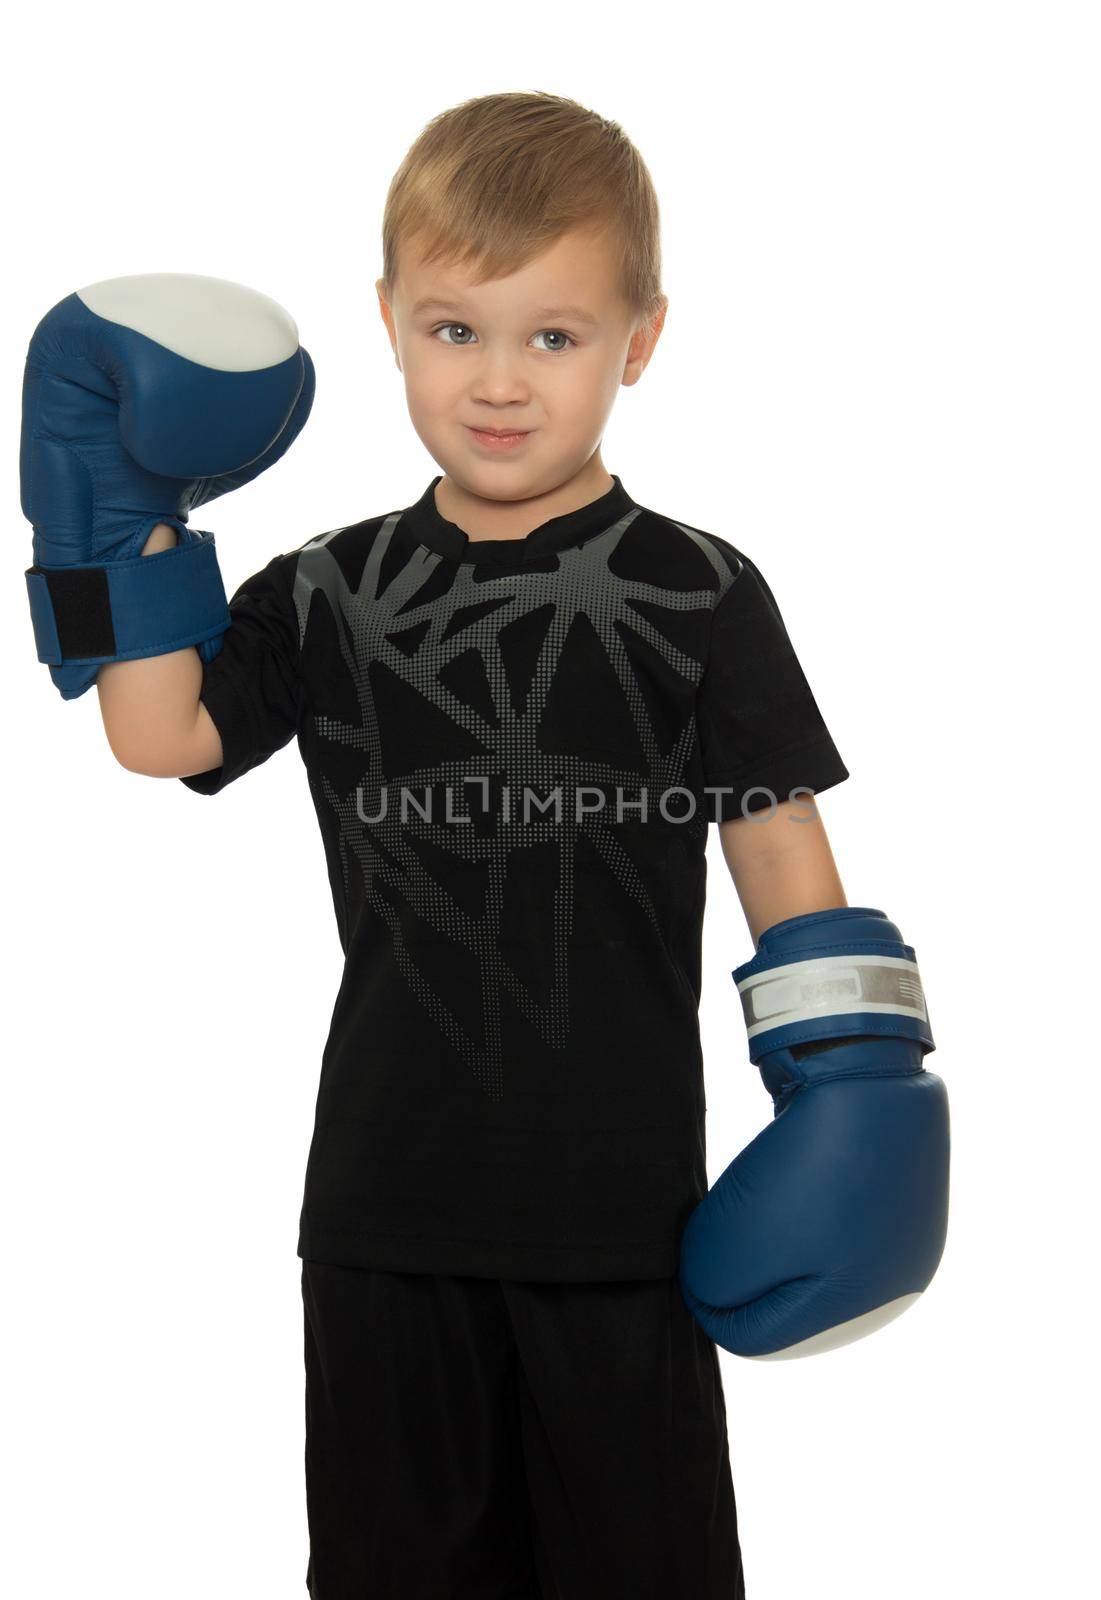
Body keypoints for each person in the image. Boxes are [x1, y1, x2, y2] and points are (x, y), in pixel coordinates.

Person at [23, 90, 947, 1600]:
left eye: (553, 337)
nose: (500, 382)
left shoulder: (701, 590)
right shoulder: (325, 588)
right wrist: (118, 519)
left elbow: (777, 852)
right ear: (387, 321)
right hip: (389, 1202)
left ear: (639, 339)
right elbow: (161, 735)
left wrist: (857, 1097)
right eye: (456, 330)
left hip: (627, 1213)